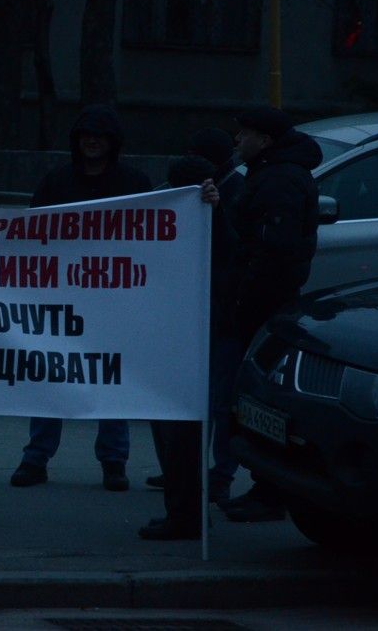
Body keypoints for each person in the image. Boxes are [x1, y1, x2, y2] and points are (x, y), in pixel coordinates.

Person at [9, 104, 151, 492]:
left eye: (100, 135)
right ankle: (36, 457)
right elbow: (32, 232)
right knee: (51, 373)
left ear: (113, 141)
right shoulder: (57, 180)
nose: (92, 141)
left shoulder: (133, 182)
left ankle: (114, 460)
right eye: (86, 134)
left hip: (115, 300)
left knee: (112, 377)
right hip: (62, 297)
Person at [220, 106, 321, 523]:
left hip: (263, 306)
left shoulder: (280, 179)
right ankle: (266, 487)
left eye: (244, 134)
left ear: (264, 140)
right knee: (257, 400)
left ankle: (270, 490)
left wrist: (244, 299)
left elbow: (271, 251)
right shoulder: (270, 173)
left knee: (262, 401)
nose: (237, 141)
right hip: (262, 303)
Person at [137, 155, 225, 540]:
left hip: (188, 339)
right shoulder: (192, 214)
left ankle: (186, 515)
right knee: (172, 432)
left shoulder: (213, 217)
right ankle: (183, 511)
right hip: (174, 334)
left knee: (181, 434)